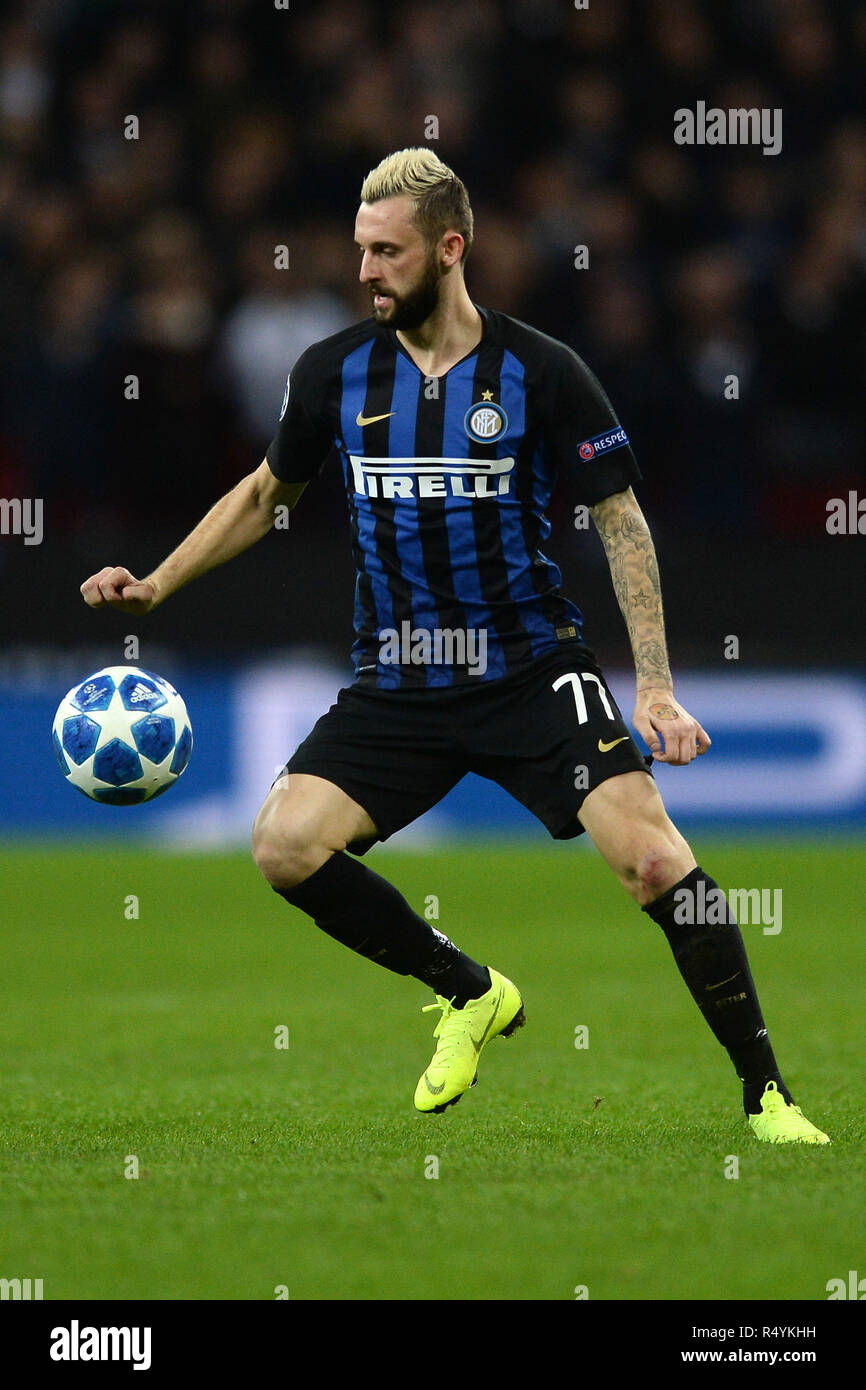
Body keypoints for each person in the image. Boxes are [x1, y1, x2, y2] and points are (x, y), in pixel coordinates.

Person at [81, 148, 828, 1144]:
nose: (364, 271)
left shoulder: (542, 371)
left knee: (653, 864)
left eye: (386, 252)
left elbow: (619, 520)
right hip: (397, 681)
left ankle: (764, 1092)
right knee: (283, 845)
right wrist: (159, 581)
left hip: (528, 669)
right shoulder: (333, 373)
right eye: (358, 251)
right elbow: (268, 493)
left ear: (449, 248)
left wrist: (653, 687)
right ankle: (466, 989)